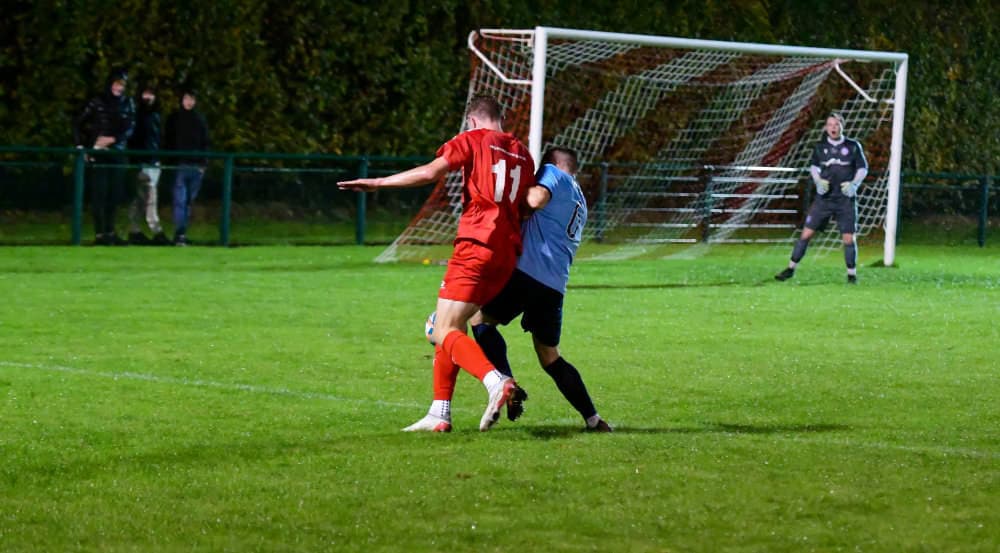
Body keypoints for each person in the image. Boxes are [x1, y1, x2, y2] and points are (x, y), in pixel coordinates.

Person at [338, 94, 537, 432]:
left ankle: (496, 382)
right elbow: (527, 206)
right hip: (506, 254)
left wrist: (379, 183)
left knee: (441, 329)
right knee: (453, 324)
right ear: (500, 117)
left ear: (471, 120)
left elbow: (432, 171)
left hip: (477, 243)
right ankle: (439, 413)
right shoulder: (523, 153)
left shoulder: (473, 139)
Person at [471, 147, 612, 432]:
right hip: (554, 286)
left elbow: (535, 199)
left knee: (478, 319)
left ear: (553, 166)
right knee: (550, 357)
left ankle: (505, 383)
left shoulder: (554, 174)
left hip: (527, 273)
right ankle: (594, 419)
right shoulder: (580, 200)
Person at [775, 113, 868, 284]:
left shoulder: (853, 146)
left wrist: (854, 184)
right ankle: (790, 268)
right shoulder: (820, 147)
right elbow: (814, 167)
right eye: (830, 124)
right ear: (825, 127)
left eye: (836, 124)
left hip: (845, 200)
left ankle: (852, 275)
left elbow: (863, 168)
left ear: (842, 126)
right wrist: (818, 181)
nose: (833, 128)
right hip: (824, 199)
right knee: (806, 234)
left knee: (849, 238)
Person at [73, 68, 136, 245]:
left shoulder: (128, 103)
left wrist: (113, 139)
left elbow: (130, 127)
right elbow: (77, 122)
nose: (118, 88)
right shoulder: (97, 101)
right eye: (116, 84)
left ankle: (110, 232)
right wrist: (82, 147)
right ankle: (100, 234)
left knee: (114, 195)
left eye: (121, 85)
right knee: (99, 194)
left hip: (118, 152)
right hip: (99, 153)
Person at [163, 87, 210, 246]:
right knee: (180, 200)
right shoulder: (174, 119)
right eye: (186, 99)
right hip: (180, 165)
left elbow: (205, 142)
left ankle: (181, 233)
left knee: (187, 201)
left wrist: (203, 164)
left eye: (191, 99)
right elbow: (168, 141)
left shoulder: (199, 120)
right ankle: (180, 233)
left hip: (195, 166)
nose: (189, 102)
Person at [126, 84, 171, 245]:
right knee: (148, 197)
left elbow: (158, 139)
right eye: (145, 93)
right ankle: (156, 231)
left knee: (142, 198)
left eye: (151, 94)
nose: (148, 97)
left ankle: (135, 231)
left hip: (153, 161)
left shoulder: (156, 115)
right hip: (144, 162)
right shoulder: (138, 115)